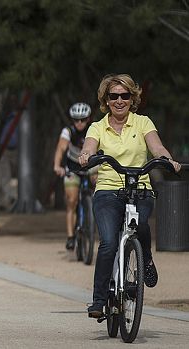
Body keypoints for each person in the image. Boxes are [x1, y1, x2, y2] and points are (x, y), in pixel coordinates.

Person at [78, 74, 181, 318]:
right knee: (109, 243)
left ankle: (145, 259)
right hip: (108, 190)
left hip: (140, 188)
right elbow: (89, 147)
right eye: (114, 96)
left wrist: (167, 160)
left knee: (141, 225)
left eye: (125, 95)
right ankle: (99, 300)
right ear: (106, 100)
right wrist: (85, 155)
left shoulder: (143, 123)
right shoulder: (97, 126)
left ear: (132, 98)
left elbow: (156, 148)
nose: (120, 100)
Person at [53, 102, 94, 250]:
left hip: (89, 166)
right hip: (72, 168)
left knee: (98, 178)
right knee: (72, 200)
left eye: (83, 119)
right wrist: (57, 166)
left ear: (88, 119)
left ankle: (92, 213)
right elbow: (60, 148)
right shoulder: (67, 132)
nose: (79, 123)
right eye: (76, 120)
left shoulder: (94, 130)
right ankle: (71, 236)